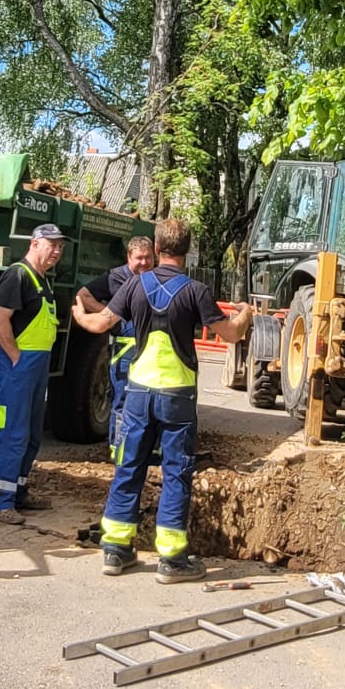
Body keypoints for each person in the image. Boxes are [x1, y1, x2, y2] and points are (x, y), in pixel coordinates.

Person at [70, 218, 251, 583]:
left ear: (156, 247)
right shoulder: (196, 291)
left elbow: (100, 323)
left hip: (137, 392)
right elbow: (231, 333)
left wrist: (78, 314)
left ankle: (116, 551)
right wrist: (245, 313)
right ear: (188, 248)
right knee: (176, 473)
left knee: (128, 467)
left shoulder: (136, 285)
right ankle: (171, 560)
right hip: (177, 396)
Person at [0, 224, 67, 525]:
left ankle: (19, 492)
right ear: (34, 244)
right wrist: (16, 358)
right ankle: (1, 502)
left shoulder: (42, 279)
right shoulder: (18, 275)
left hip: (35, 366)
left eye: (60, 247)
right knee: (13, 433)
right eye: (52, 245)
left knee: (32, 434)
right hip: (16, 367)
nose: (57, 251)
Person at [74, 234, 155, 462]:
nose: (144, 263)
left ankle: (141, 449)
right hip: (123, 352)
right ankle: (117, 449)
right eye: (139, 258)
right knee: (122, 400)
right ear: (129, 257)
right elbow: (82, 295)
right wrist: (107, 314)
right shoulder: (116, 277)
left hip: (147, 353)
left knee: (145, 402)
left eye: (148, 258)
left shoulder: (153, 279)